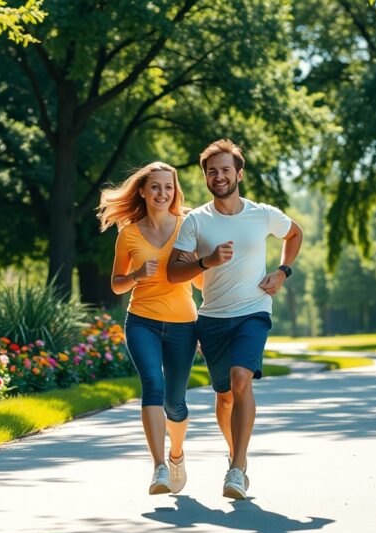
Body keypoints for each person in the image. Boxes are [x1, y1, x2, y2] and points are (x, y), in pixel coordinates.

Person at [167, 138, 303, 500]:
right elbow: (173, 272)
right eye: (212, 171)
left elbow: (295, 233)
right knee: (225, 396)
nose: (219, 176)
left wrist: (282, 272)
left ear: (239, 173)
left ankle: (237, 468)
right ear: (206, 178)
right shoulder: (195, 220)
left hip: (253, 311)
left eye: (226, 169)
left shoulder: (262, 213)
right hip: (211, 317)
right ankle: (235, 453)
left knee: (242, 380)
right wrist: (205, 262)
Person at [97, 161, 204, 495]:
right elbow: (116, 285)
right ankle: (158, 467)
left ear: (175, 191)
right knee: (152, 386)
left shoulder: (188, 226)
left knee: (176, 403)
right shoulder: (128, 233)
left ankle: (176, 454)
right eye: (155, 186)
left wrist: (198, 265)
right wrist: (135, 276)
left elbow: (201, 280)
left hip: (183, 323)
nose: (162, 193)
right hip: (141, 320)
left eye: (168, 187)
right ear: (142, 191)